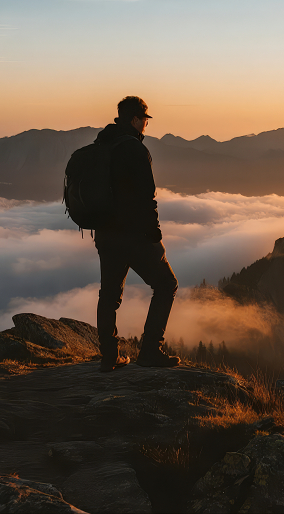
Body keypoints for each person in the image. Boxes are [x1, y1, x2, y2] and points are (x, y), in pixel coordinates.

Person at [94, 96, 180, 371]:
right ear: (134, 120)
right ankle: (151, 351)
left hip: (106, 235)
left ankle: (109, 356)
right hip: (133, 236)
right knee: (167, 285)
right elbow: (147, 197)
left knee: (109, 295)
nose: (146, 125)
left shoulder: (102, 145)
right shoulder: (135, 150)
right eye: (144, 119)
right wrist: (155, 236)